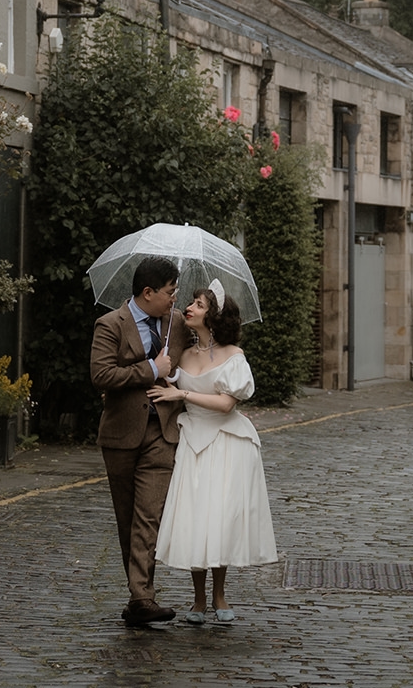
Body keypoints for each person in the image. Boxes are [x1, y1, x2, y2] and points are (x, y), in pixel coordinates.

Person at [150, 280, 277, 624]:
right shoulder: (182, 354)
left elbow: (225, 404)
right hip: (192, 441)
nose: (189, 308)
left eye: (199, 305)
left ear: (214, 317)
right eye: (191, 302)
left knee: (219, 518)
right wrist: (162, 375)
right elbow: (167, 386)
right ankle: (198, 599)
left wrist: (183, 396)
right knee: (195, 517)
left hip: (226, 442)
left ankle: (219, 595)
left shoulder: (234, 356)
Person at [91, 255, 187, 625]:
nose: (174, 298)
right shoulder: (110, 324)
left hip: (162, 433)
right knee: (127, 518)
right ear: (147, 292)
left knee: (149, 515)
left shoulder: (176, 323)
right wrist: (151, 369)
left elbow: (202, 347)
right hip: (120, 435)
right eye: (169, 292)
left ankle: (143, 597)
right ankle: (138, 597)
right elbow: (101, 375)